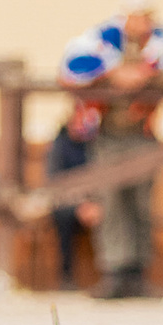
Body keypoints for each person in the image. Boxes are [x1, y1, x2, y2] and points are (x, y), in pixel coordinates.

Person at [59, 0, 163, 299]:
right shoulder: (102, 41)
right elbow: (70, 69)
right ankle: (113, 272)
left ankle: (139, 273)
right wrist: (113, 75)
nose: (141, 23)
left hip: (142, 134)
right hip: (108, 135)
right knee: (110, 202)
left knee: (141, 203)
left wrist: (148, 77)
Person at [44, 98, 102, 290]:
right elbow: (55, 182)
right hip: (65, 203)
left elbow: (101, 179)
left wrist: (92, 203)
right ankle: (66, 276)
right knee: (64, 219)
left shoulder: (94, 144)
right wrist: (79, 205)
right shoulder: (59, 145)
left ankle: (112, 274)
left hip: (93, 203)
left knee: (110, 215)